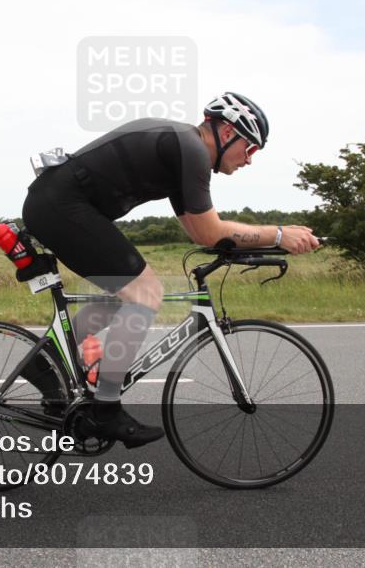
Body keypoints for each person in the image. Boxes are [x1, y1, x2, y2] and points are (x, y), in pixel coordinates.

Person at [21, 92, 320, 448]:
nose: (249, 160)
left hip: (57, 203)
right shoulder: (189, 150)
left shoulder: (184, 152)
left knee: (134, 292)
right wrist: (279, 234)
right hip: (61, 205)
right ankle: (106, 409)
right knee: (146, 293)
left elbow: (199, 232)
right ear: (227, 132)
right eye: (250, 148)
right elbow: (211, 231)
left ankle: (44, 363)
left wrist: (263, 246)